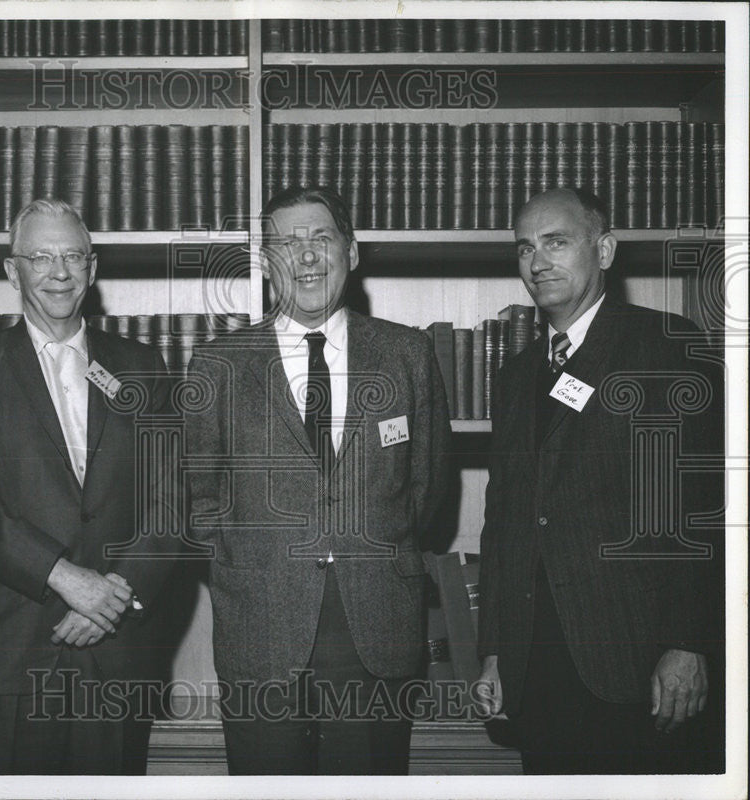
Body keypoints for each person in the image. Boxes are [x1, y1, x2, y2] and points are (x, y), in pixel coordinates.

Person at [183, 186, 451, 774]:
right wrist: (256, 564)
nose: (304, 256)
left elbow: (429, 492)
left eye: (320, 239)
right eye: (285, 243)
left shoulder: (408, 354)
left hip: (377, 625)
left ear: (351, 252)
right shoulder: (218, 364)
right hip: (261, 627)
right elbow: (199, 502)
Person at [475, 187, 724, 773]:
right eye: (524, 248)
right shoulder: (515, 375)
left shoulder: (664, 344)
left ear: (605, 250)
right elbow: (502, 524)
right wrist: (493, 651)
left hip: (640, 665)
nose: (537, 263)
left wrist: (689, 643)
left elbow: (705, 505)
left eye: (556, 243)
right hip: (536, 667)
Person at [0, 199, 179, 774]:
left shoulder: (142, 366)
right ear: (12, 272)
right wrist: (62, 576)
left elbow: (171, 499)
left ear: (93, 267)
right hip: (12, 655)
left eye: (73, 256)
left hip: (119, 647)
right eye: (41, 257)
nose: (59, 272)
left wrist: (116, 593)